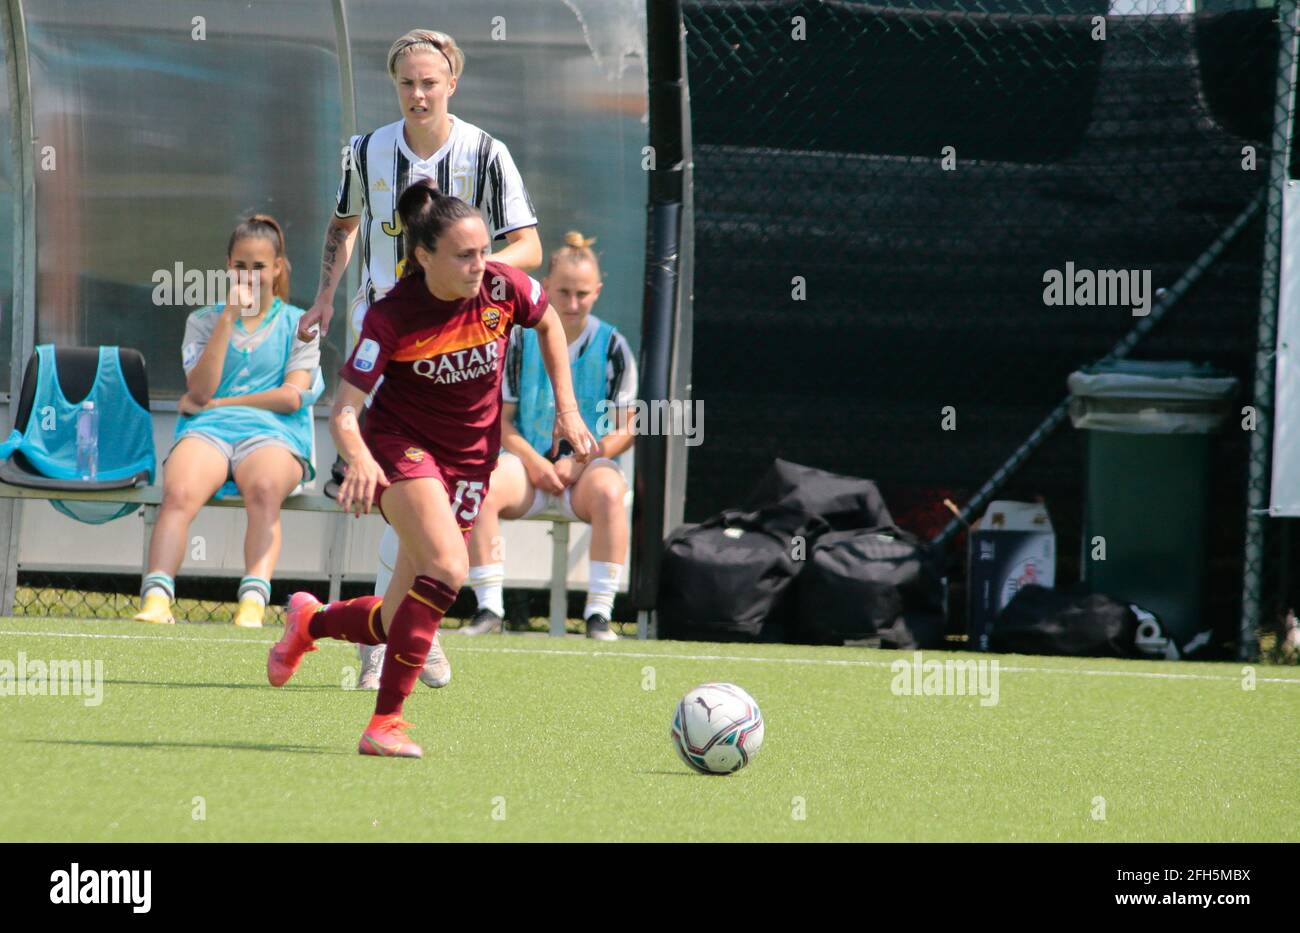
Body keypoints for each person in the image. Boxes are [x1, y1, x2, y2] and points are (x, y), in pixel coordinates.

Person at [267, 181, 596, 758]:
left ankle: (309, 625)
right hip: (401, 448)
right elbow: (344, 411)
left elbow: (546, 323)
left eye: (483, 250)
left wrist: (567, 410)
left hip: (472, 464)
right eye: (464, 255)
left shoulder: (502, 286)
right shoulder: (392, 316)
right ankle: (384, 724)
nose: (480, 264)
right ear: (423, 257)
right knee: (447, 566)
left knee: (397, 616)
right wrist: (362, 459)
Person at [298, 28, 542, 688]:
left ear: (452, 83)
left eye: (430, 81)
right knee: (405, 484)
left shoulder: (487, 153)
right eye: (407, 82)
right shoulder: (367, 150)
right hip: (389, 344)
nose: (418, 93)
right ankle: (399, 637)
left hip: (464, 347)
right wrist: (324, 298)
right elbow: (343, 226)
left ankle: (400, 625)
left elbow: (529, 246)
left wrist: (472, 269)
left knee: (433, 492)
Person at [135, 215, 322, 628]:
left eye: (260, 267)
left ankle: (252, 602)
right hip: (208, 430)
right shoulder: (203, 320)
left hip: (273, 433)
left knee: (265, 488)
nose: (250, 277)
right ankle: (156, 597)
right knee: (179, 491)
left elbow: (291, 396)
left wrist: (221, 403)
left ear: (277, 267)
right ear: (228, 266)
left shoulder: (299, 324)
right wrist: (227, 320)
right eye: (241, 266)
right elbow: (199, 391)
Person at [462, 232, 637, 640]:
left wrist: (578, 462)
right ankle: (489, 608)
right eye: (563, 292)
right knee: (480, 485)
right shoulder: (519, 338)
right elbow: (502, 422)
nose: (572, 304)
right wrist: (536, 462)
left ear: (598, 291)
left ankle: (598, 614)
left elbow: (628, 427)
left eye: (582, 294)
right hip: (529, 467)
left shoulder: (614, 345)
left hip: (586, 471)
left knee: (612, 492)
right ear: (545, 285)